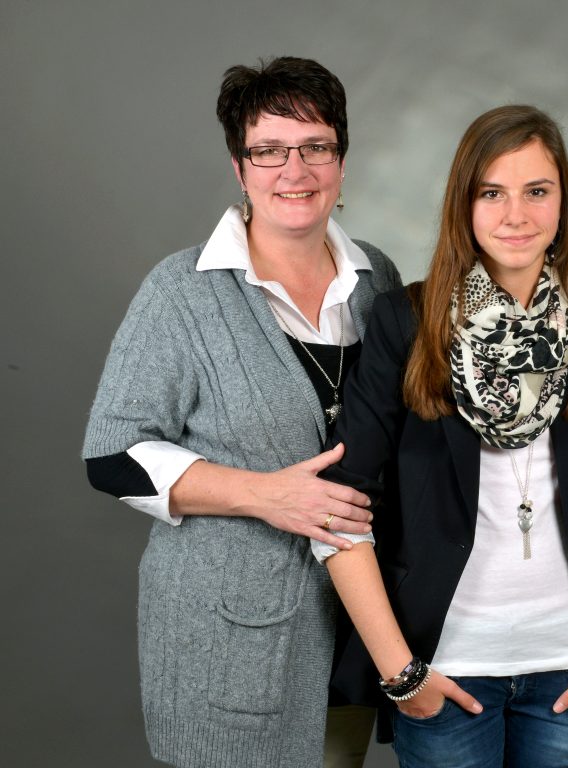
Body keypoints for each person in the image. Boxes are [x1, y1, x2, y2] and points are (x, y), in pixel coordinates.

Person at [313, 105, 568, 768]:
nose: (516, 215)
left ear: (563, 205)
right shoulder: (405, 321)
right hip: (444, 672)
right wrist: (402, 673)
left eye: (536, 191)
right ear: (465, 205)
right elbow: (340, 505)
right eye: (492, 193)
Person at [82, 57, 401, 768]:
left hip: (356, 626)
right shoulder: (180, 292)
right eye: (269, 151)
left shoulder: (376, 278)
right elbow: (110, 457)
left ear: (341, 159)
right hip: (227, 638)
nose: (295, 169)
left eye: (315, 146)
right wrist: (265, 495)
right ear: (240, 166)